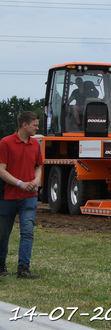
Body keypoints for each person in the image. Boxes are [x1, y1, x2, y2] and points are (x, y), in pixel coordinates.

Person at [0, 111, 43, 279]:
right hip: (7, 196)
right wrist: (21, 183)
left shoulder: (35, 145)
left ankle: (23, 268)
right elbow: (1, 170)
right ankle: (1, 264)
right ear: (24, 125)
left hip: (29, 197)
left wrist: (36, 181)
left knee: (27, 232)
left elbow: (38, 166)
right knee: (3, 233)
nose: (37, 128)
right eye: (35, 125)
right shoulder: (5, 143)